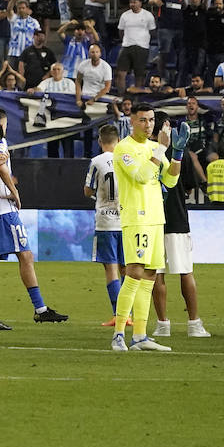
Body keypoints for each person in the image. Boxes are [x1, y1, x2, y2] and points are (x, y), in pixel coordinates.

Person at [0, 114, 68, 327]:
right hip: (3, 211)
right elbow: (0, 165)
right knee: (25, 255)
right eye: (5, 123)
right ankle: (40, 309)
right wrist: (14, 190)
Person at [110, 103, 183, 352]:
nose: (148, 124)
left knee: (150, 276)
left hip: (155, 217)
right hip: (136, 217)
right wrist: (162, 147)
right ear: (132, 122)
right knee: (134, 273)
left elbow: (170, 181)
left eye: (151, 120)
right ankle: (118, 334)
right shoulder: (123, 149)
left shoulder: (154, 147)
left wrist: (177, 154)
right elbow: (141, 176)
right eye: (142, 120)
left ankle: (139, 336)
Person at [151, 117, 213, 340]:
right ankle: (194, 324)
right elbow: (188, 186)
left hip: (152, 220)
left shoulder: (145, 152)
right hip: (176, 218)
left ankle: (162, 324)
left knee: (157, 273)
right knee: (185, 271)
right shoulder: (179, 151)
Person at [85, 124, 123, 324]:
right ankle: (130, 315)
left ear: (100, 141)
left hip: (105, 222)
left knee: (111, 268)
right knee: (127, 269)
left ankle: (118, 314)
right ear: (118, 140)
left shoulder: (96, 161)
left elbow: (87, 190)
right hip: (126, 221)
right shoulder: (126, 159)